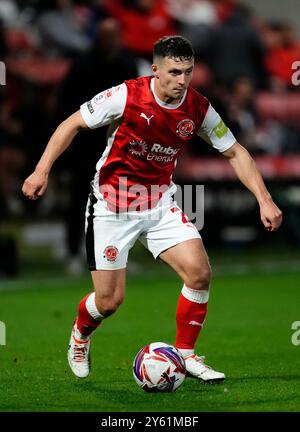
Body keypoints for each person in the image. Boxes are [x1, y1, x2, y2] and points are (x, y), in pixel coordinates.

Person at [22, 35, 282, 381]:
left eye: (188, 72)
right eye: (174, 72)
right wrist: (42, 170)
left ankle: (186, 356)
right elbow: (70, 124)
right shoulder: (126, 95)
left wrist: (264, 199)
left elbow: (235, 152)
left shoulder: (198, 108)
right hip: (111, 206)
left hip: (159, 204)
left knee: (199, 272)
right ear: (155, 69)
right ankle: (80, 334)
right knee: (109, 301)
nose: (182, 80)